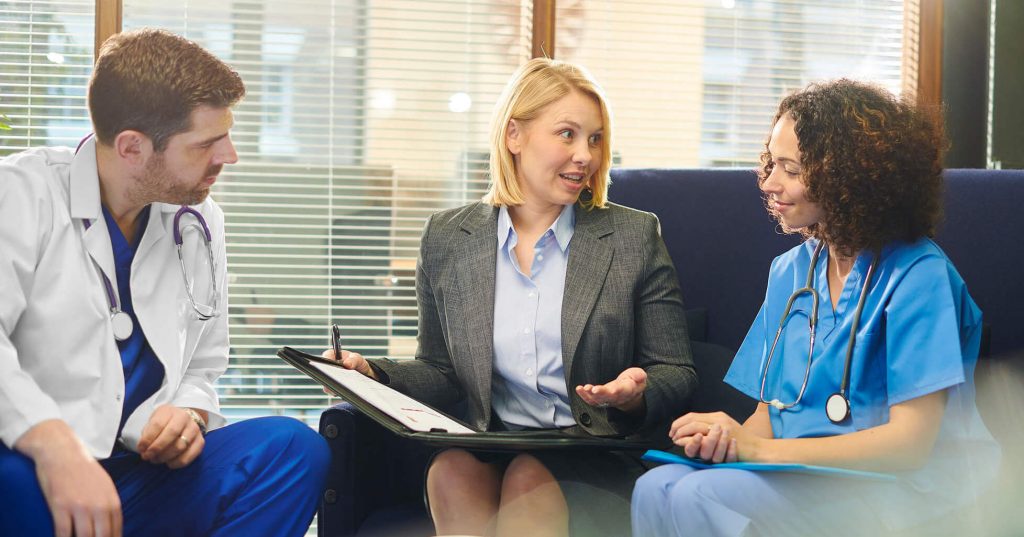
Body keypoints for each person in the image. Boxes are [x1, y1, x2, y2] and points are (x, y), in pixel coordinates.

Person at [324, 57, 697, 537]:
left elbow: (677, 371)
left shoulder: (632, 235)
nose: (586, 154)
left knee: (528, 477)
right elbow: (441, 371)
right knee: (450, 470)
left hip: (590, 450)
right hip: (490, 442)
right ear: (514, 136)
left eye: (596, 138)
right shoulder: (447, 237)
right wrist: (372, 374)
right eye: (567, 134)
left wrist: (633, 394)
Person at [631, 79, 1001, 536]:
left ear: (849, 178)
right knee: (658, 486)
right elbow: (770, 414)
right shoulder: (790, 272)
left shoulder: (919, 275)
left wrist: (759, 452)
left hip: (907, 487)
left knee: (697, 494)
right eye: (771, 163)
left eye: (791, 169)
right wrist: (729, 441)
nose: (768, 183)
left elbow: (910, 445)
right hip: (804, 475)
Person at [0, 28, 329, 537]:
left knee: (292, 448)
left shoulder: (197, 217)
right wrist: (55, 447)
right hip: (34, 464)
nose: (229, 156)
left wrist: (189, 414)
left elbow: (205, 363)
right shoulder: (22, 194)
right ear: (132, 146)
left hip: (139, 468)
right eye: (207, 143)